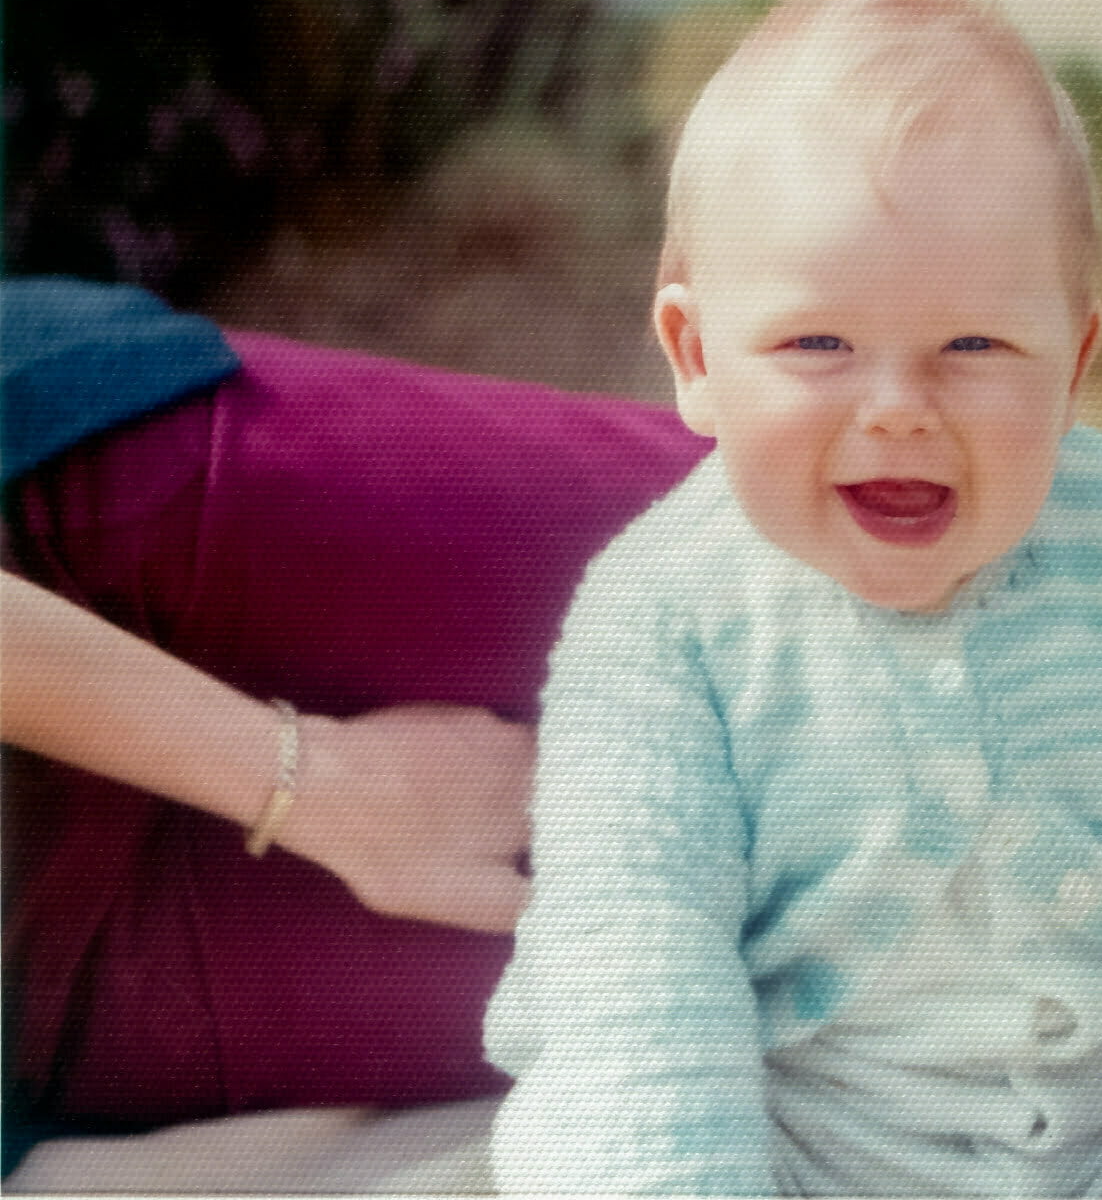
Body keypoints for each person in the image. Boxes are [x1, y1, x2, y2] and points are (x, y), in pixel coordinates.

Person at [486, 0, 1102, 1198]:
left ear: (1073, 360)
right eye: (817, 344)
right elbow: (638, 957)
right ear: (696, 357)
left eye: (973, 346)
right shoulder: (662, 621)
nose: (898, 410)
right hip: (789, 1144)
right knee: (596, 1138)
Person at [2, 279, 707, 1153]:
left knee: (841, 597)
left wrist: (321, 783)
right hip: (58, 996)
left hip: (56, 528)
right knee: (816, 990)